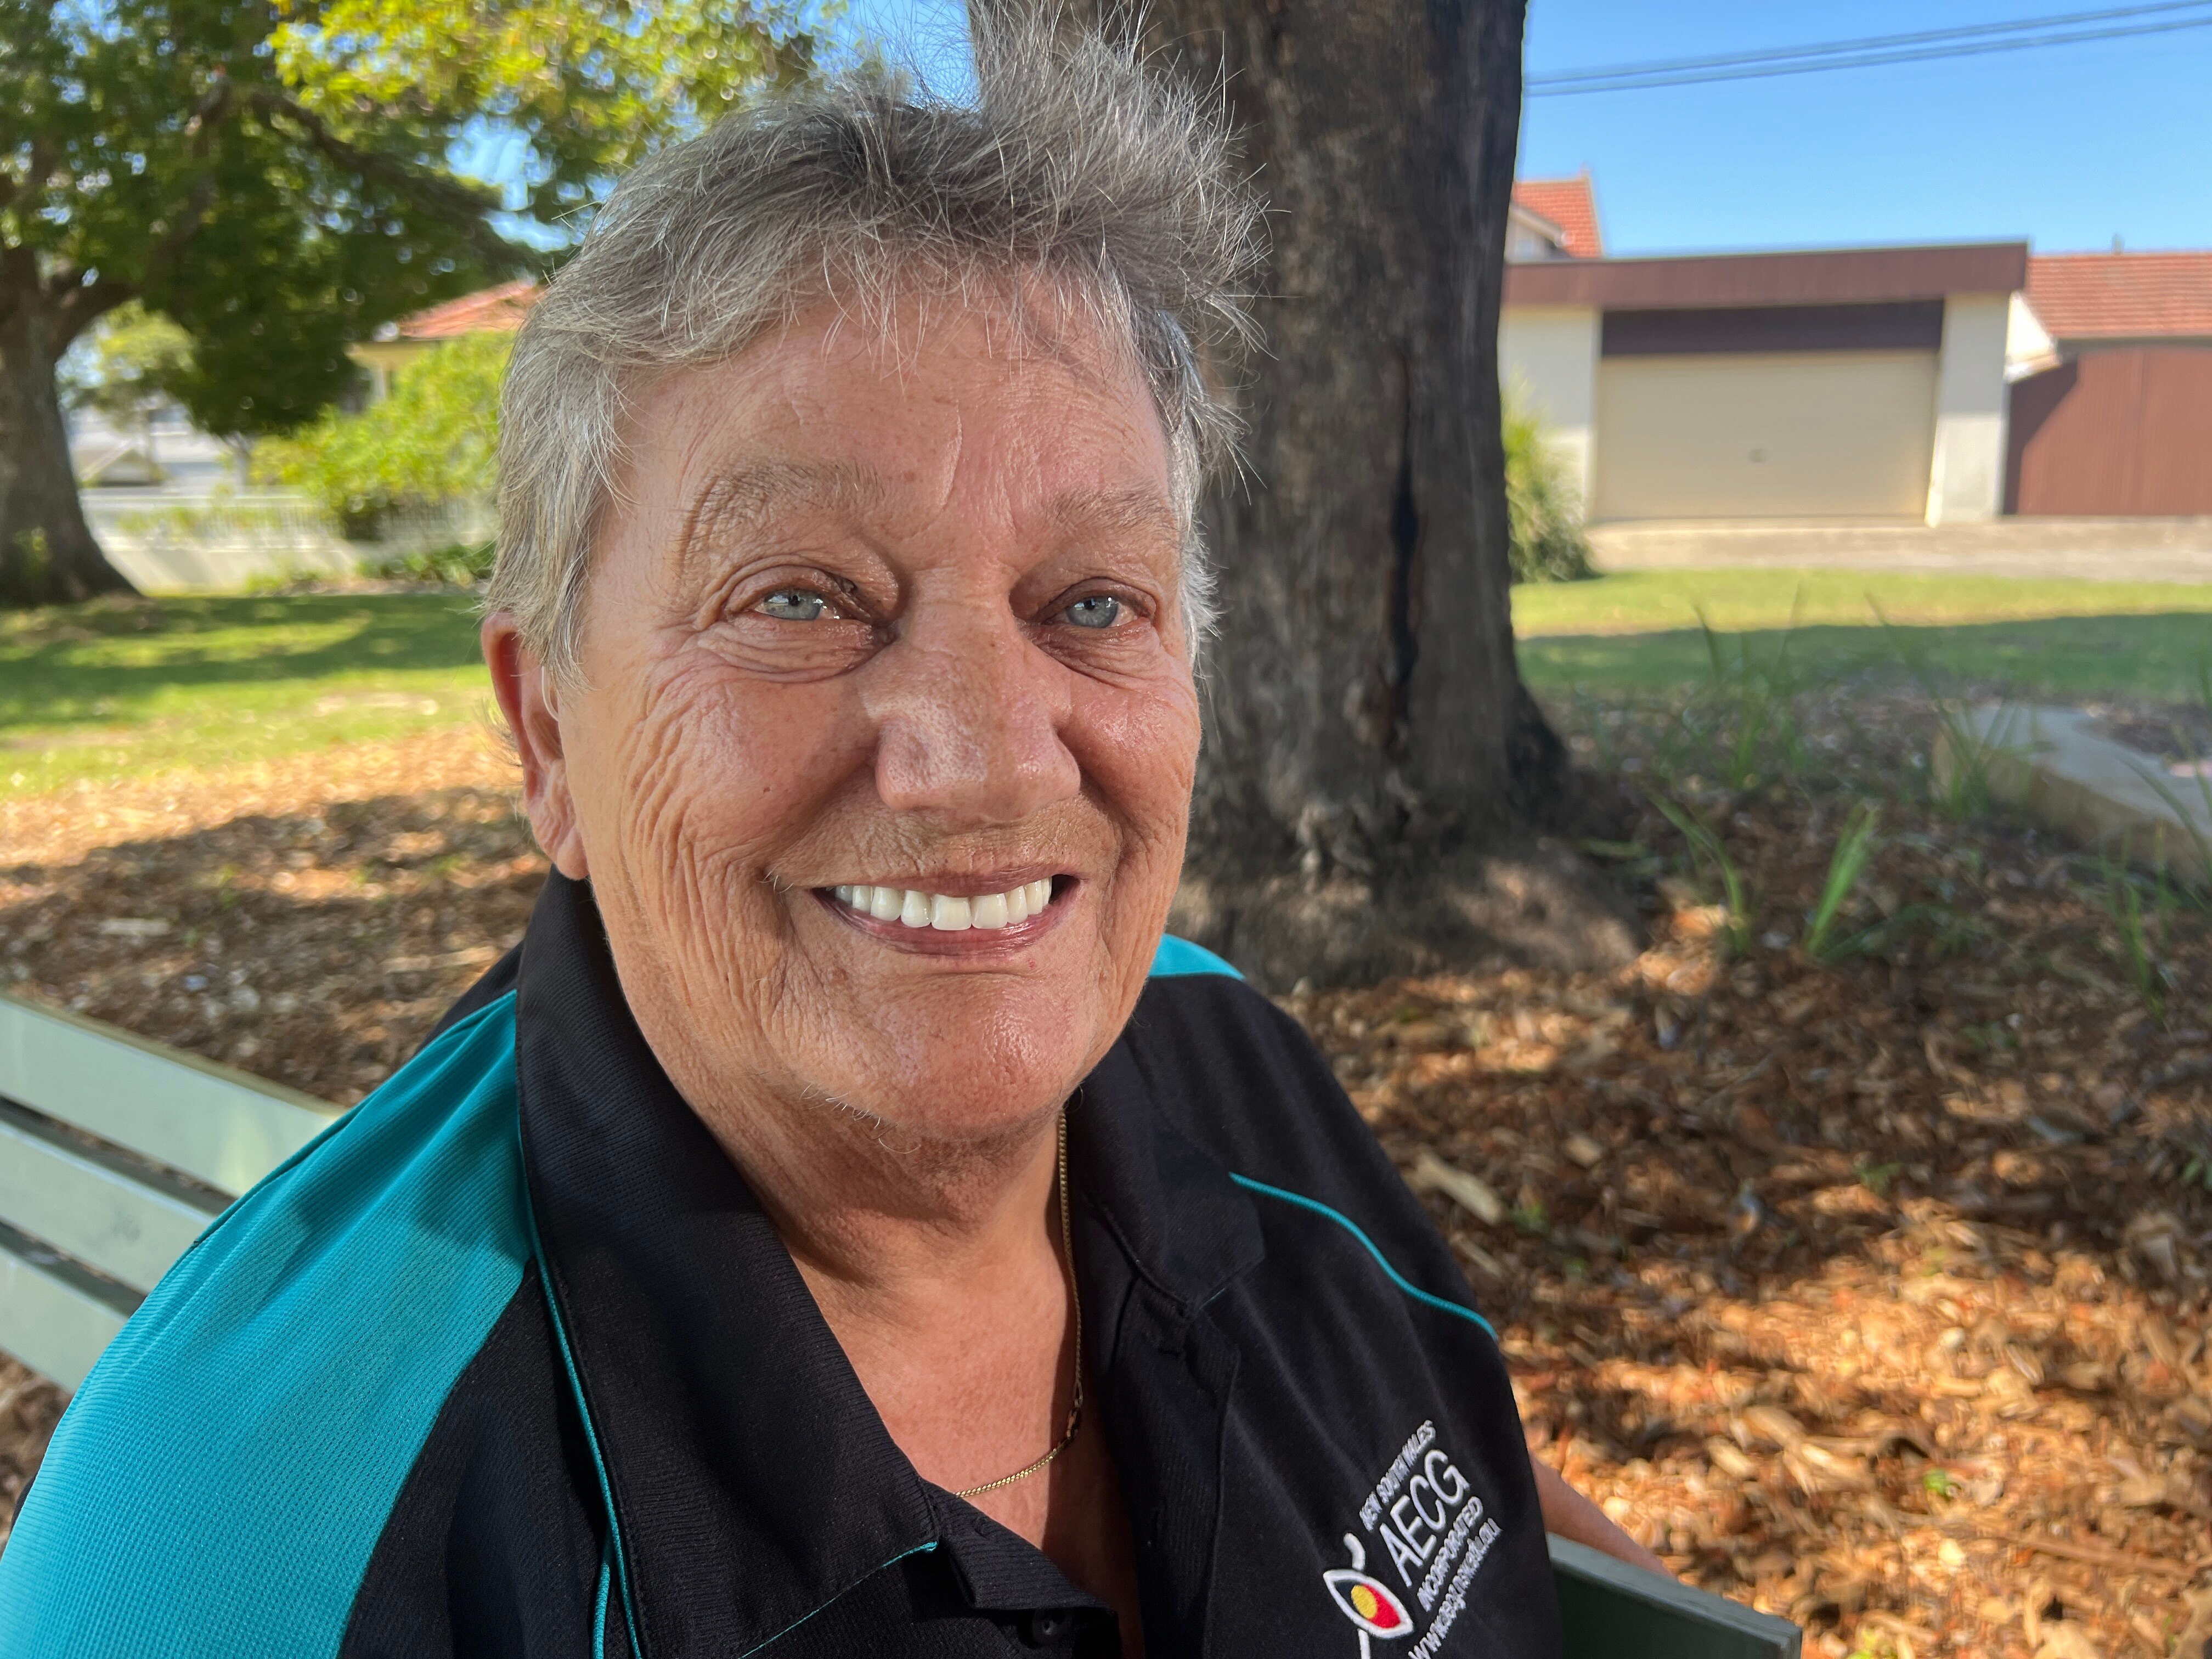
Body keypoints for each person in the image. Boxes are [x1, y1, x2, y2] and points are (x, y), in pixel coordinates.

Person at [0, 24, 1659, 1658]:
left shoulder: (1218, 1038)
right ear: (552, 732)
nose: (985, 762)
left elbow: (1430, 1438)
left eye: (1091, 602)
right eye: (797, 596)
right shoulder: (238, 1553)